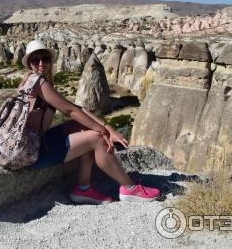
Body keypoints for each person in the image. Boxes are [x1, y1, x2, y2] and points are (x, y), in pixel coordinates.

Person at [21, 39, 160, 204]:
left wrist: (107, 128)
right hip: (31, 152)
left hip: (33, 142)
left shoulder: (33, 82)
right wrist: (102, 132)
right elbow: (70, 111)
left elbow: (76, 108)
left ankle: (83, 190)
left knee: (82, 127)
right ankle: (129, 188)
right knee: (96, 139)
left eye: (45, 58)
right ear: (29, 64)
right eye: (36, 60)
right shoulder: (39, 83)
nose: (41, 63)